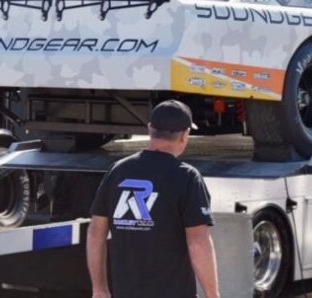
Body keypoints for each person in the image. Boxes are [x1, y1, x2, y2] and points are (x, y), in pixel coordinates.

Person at [87, 100, 219, 298]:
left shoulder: (118, 170)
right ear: (185, 135)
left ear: (150, 129)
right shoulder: (187, 177)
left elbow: (96, 233)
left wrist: (99, 289)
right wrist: (213, 295)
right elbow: (198, 242)